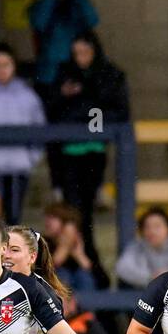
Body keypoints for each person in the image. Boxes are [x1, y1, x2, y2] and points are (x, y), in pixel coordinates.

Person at [46, 31, 129, 249]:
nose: (81, 57)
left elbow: (119, 112)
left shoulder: (109, 74)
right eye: (76, 53)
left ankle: (87, 257)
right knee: (73, 209)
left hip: (95, 151)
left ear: (95, 51)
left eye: (85, 52)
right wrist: (65, 96)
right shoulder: (64, 75)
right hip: (68, 154)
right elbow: (52, 111)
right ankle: (84, 257)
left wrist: (82, 109)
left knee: (87, 209)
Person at [0, 43, 46, 225]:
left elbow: (39, 128)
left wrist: (31, 157)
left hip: (18, 166)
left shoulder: (27, 95)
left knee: (13, 218)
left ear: (14, 66)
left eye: (6, 65)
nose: (1, 70)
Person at [30, 0, 100, 93]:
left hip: (77, 70)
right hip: (49, 74)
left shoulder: (79, 3)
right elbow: (38, 23)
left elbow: (93, 20)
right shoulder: (40, 4)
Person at [43, 202, 109, 293]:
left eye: (52, 218)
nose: (47, 222)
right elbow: (42, 274)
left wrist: (80, 255)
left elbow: (104, 283)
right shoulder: (42, 243)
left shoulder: (84, 244)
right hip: (55, 301)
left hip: (85, 299)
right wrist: (64, 248)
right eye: (47, 217)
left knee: (83, 276)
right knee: (62, 274)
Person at [116, 207, 168, 290]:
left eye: (157, 226)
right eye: (147, 227)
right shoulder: (137, 246)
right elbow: (122, 268)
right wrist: (151, 277)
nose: (152, 231)